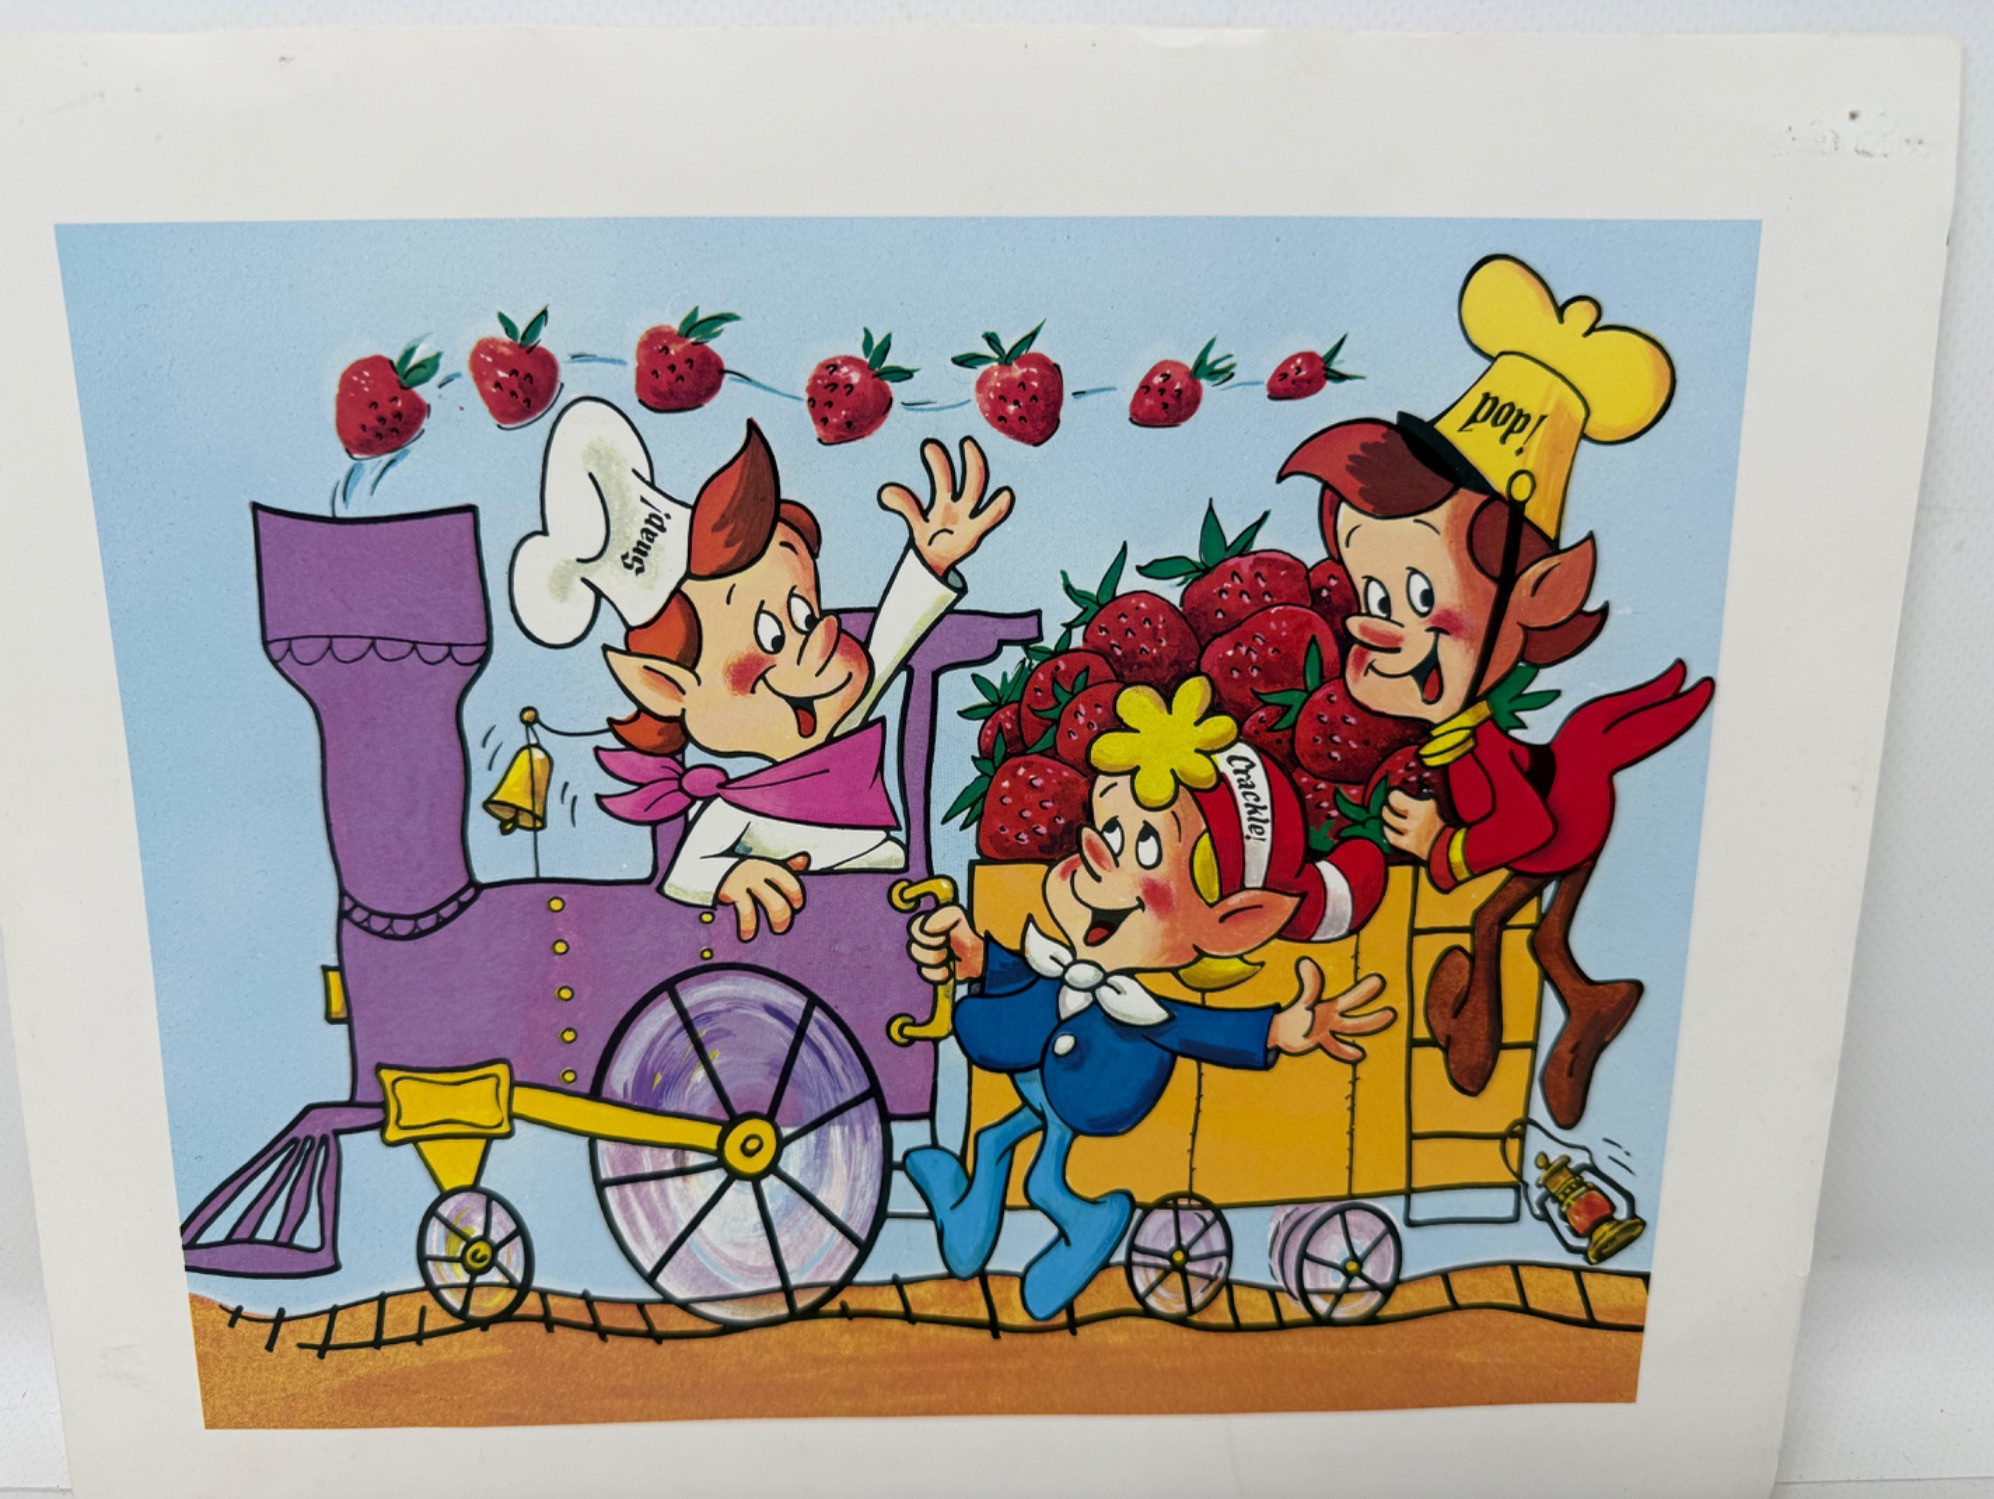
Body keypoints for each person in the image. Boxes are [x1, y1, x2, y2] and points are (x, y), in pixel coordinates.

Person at [1278, 254, 1711, 1128]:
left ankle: (1501, 1035)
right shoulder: (1450, 739)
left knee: (1492, 925)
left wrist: (1442, 844)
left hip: (1561, 821)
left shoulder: (1471, 746)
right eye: (1370, 592)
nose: (1374, 622)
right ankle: (1578, 1006)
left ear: (1541, 599)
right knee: (1532, 931)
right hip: (1562, 807)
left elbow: (1524, 827)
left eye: (1416, 595)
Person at [903, 677, 1392, 1319]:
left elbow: (1195, 1027)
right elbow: (1040, 973)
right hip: (1042, 1068)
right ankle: (964, 1231)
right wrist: (977, 953)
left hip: (1093, 1083)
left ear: (1234, 922)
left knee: (1043, 1175)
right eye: (1108, 828)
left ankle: (1089, 1222)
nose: (1096, 853)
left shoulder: (1144, 1006)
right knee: (995, 1141)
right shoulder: (1071, 951)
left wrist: (1277, 1029)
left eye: (1147, 846)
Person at [510, 398, 1013, 938]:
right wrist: (732, 875)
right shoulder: (737, 809)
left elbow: (885, 649)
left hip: (890, 919)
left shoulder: (836, 730)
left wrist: (929, 563)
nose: (818, 638)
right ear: (668, 689)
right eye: (772, 638)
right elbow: (687, 874)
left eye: (806, 613)